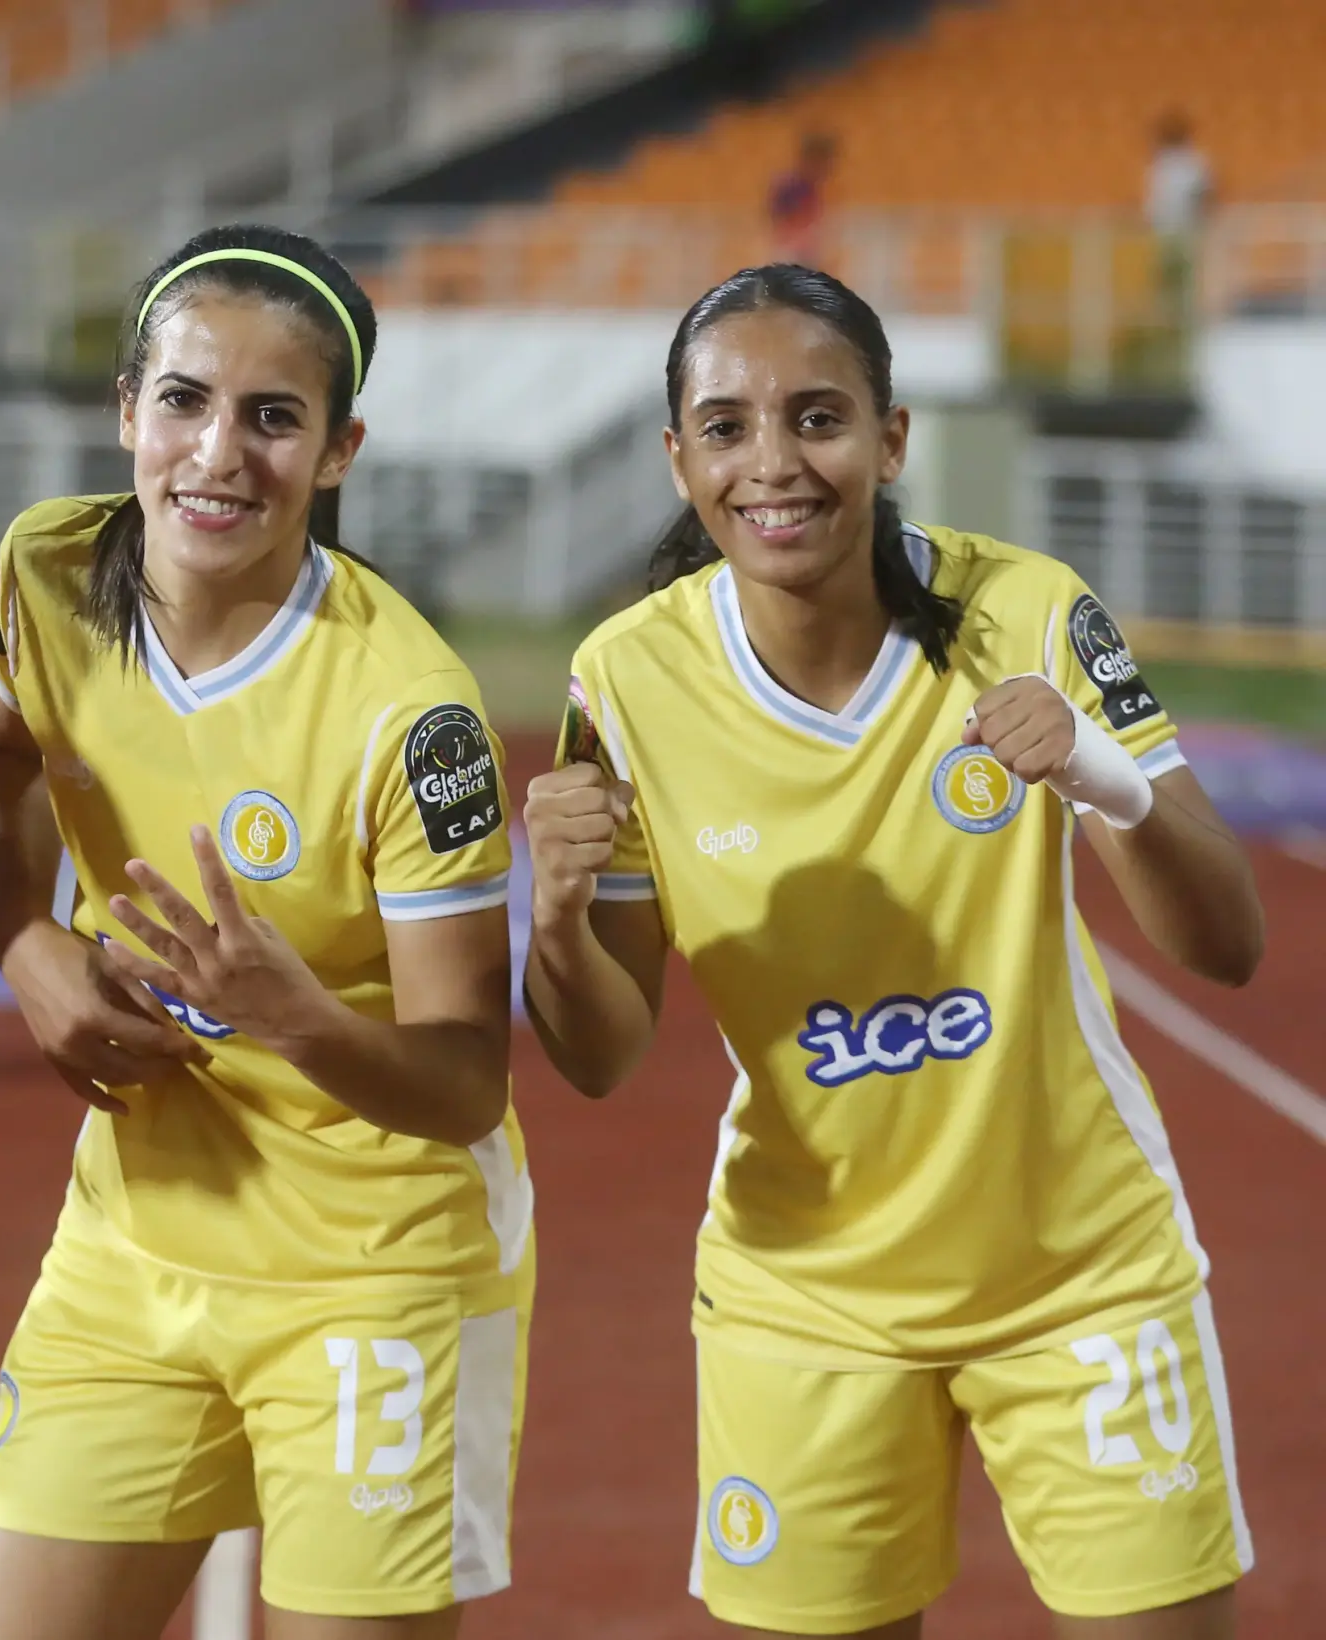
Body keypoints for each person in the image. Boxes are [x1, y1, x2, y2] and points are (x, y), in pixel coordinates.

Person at [521, 263, 1263, 1639]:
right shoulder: (625, 677)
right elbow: (600, 1051)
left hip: (1078, 1272)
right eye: (727, 427)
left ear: (891, 438)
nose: (773, 463)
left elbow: (1226, 942)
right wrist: (555, 918)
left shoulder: (1026, 610)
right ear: (679, 460)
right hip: (804, 1297)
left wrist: (1101, 774)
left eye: (818, 417)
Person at [0, 224, 531, 1640]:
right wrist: (22, 933)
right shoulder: (45, 572)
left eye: (274, 417)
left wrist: (294, 1016)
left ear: (337, 452)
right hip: (134, 1242)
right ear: (127, 411)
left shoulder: (411, 712)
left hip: (374, 1267)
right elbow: (1, 752)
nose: (218, 454)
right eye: (185, 401)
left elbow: (467, 1080)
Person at [1145, 111, 1212, 332]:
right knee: (1168, 282)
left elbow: (1205, 196)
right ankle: (1169, 324)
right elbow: (1154, 205)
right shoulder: (1160, 166)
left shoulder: (1194, 163)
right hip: (1165, 234)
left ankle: (1188, 324)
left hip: (1187, 233)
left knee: (1187, 283)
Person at [767, 131, 836, 268]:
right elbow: (780, 222)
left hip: (807, 253)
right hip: (791, 252)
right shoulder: (791, 187)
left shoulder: (816, 189)